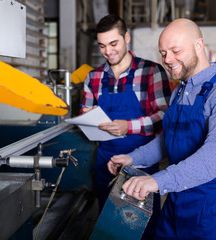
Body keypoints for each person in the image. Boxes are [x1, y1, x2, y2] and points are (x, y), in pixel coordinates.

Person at [108, 18, 216, 239]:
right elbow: (169, 140)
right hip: (177, 201)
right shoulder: (180, 91)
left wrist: (157, 180)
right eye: (163, 53)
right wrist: (133, 158)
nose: (168, 59)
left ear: (198, 45)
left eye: (175, 51)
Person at [81, 14, 171, 236]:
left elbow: (165, 115)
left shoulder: (151, 72)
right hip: (106, 164)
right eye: (102, 46)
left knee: (142, 230)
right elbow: (85, 112)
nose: (108, 51)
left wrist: (128, 126)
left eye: (113, 43)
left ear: (127, 38)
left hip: (141, 166)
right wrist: (87, 117)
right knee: (110, 230)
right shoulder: (93, 78)